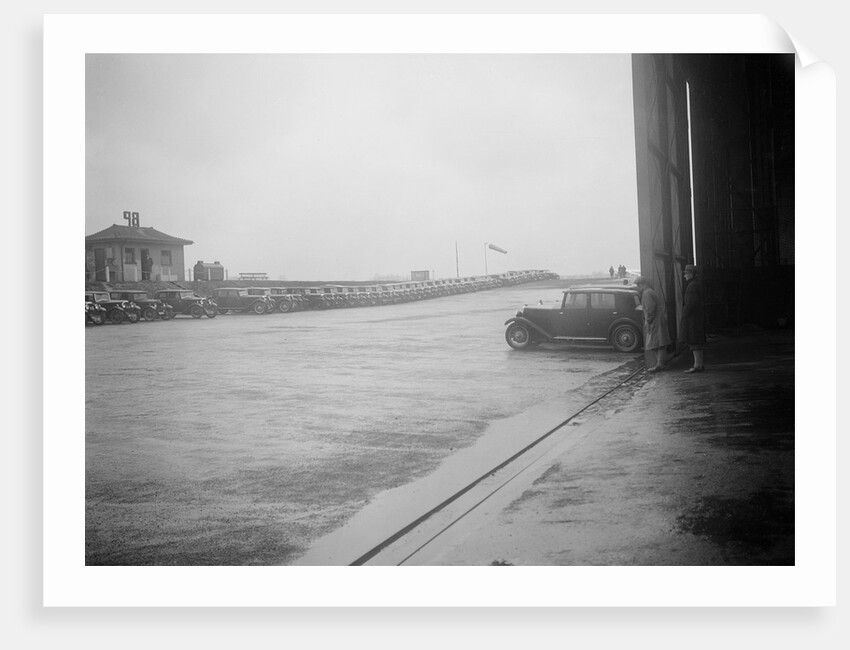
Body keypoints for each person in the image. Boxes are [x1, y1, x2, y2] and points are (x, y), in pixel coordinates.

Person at [634, 276, 672, 372]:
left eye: (637, 286)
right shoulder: (650, 291)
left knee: (656, 343)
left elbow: (650, 309)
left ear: (641, 285)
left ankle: (660, 364)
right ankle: (660, 363)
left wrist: (648, 320)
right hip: (658, 319)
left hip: (654, 320)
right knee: (658, 342)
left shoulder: (646, 293)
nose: (637, 288)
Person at [680, 264, 706, 373]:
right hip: (697, 317)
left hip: (692, 319)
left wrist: (684, 314)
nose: (685, 276)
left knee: (694, 341)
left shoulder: (692, 286)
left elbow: (690, 303)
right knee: (697, 342)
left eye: (686, 274)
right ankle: (699, 364)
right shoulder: (696, 284)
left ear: (691, 274)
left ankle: (697, 365)